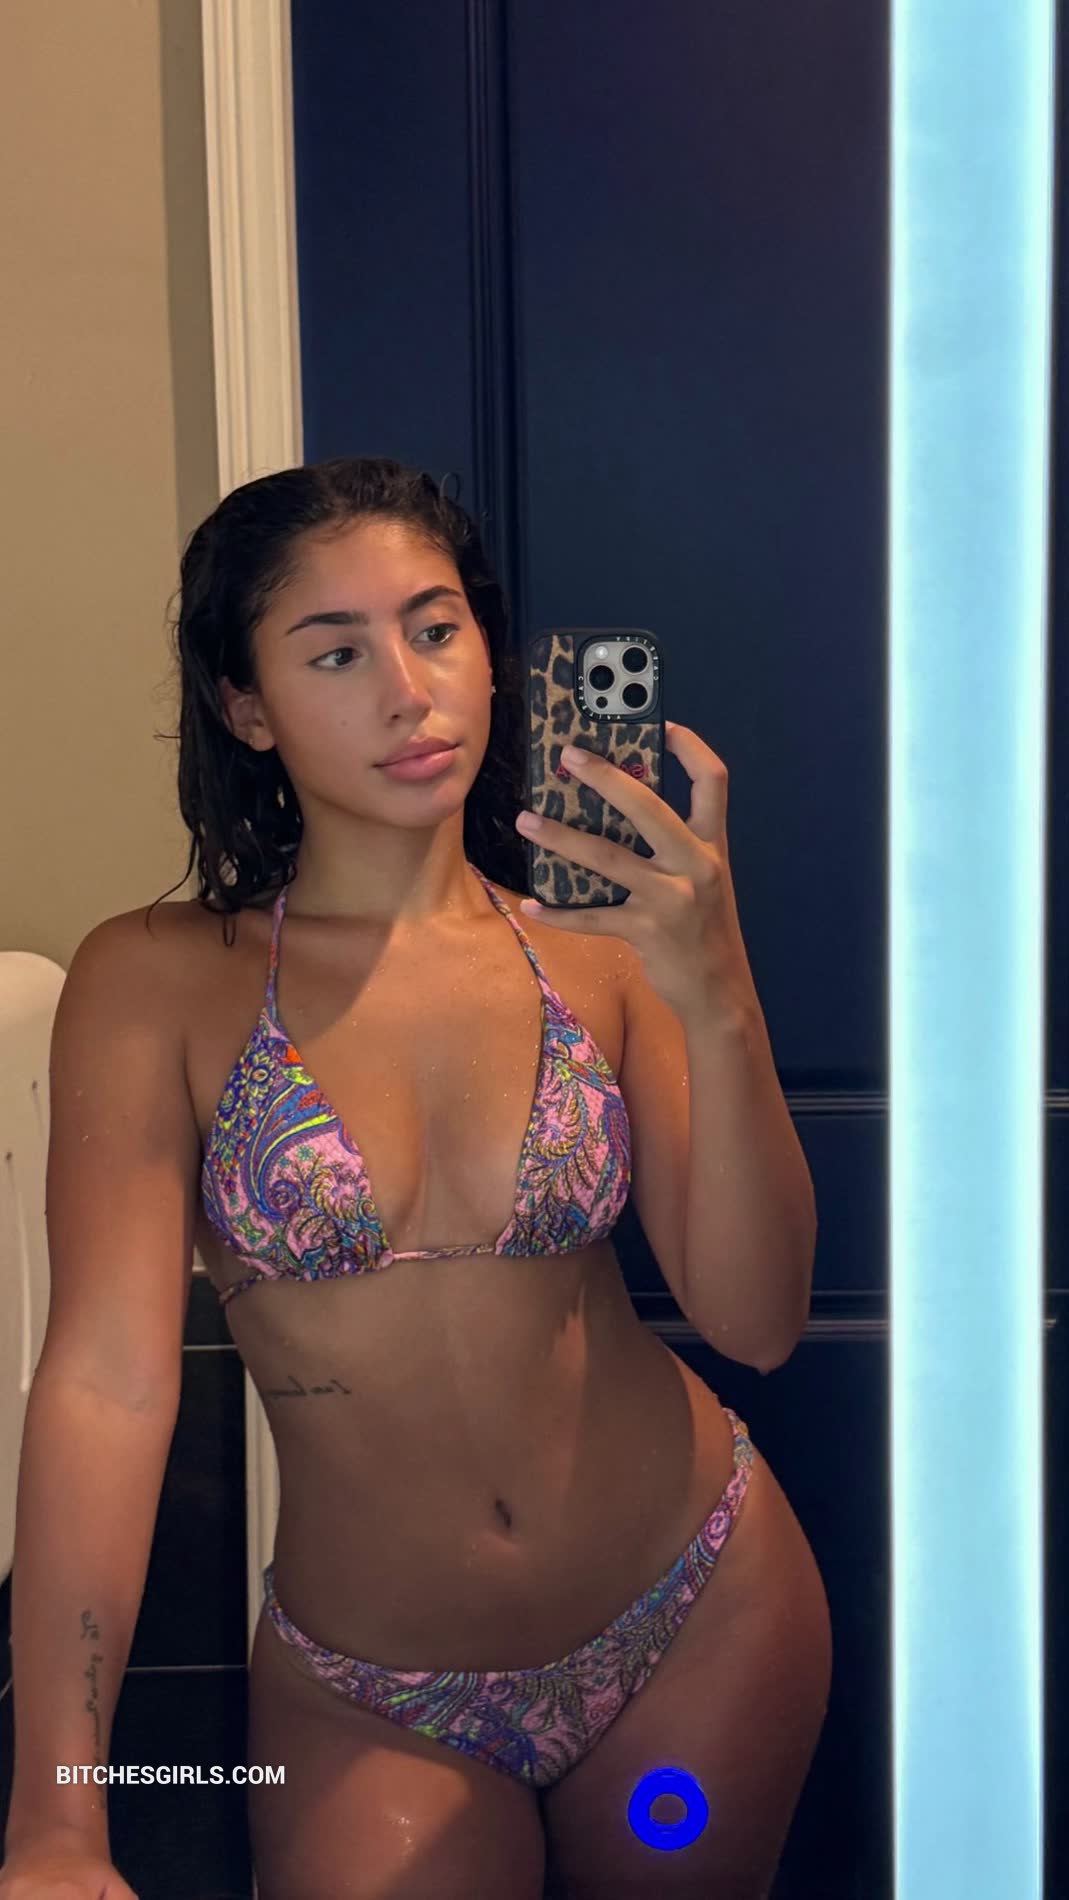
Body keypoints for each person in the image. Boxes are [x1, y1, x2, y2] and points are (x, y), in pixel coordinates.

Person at [1, 458, 832, 1900]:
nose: (409, 691)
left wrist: (719, 996)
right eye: (336, 652)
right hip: (373, 1697)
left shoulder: (606, 953)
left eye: (436, 630)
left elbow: (756, 1322)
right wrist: (59, 1819)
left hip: (697, 1615)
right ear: (246, 706)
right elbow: (109, 1385)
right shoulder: (155, 983)